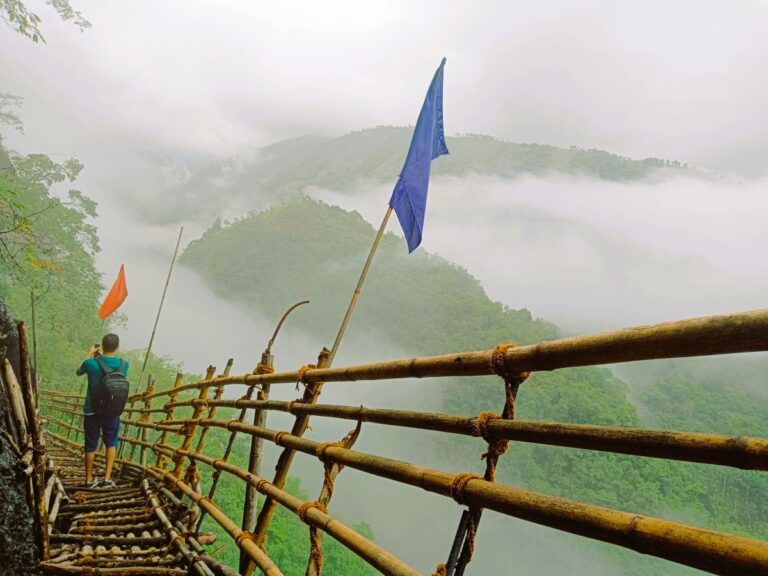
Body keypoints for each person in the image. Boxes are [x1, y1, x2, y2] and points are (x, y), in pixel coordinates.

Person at [75, 333, 129, 488]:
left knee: (90, 444)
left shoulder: (91, 364)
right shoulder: (124, 365)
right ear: (117, 347)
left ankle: (88, 479)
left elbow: (79, 370)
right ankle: (106, 479)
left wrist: (91, 353)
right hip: (113, 411)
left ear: (102, 346)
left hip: (92, 410)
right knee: (111, 443)